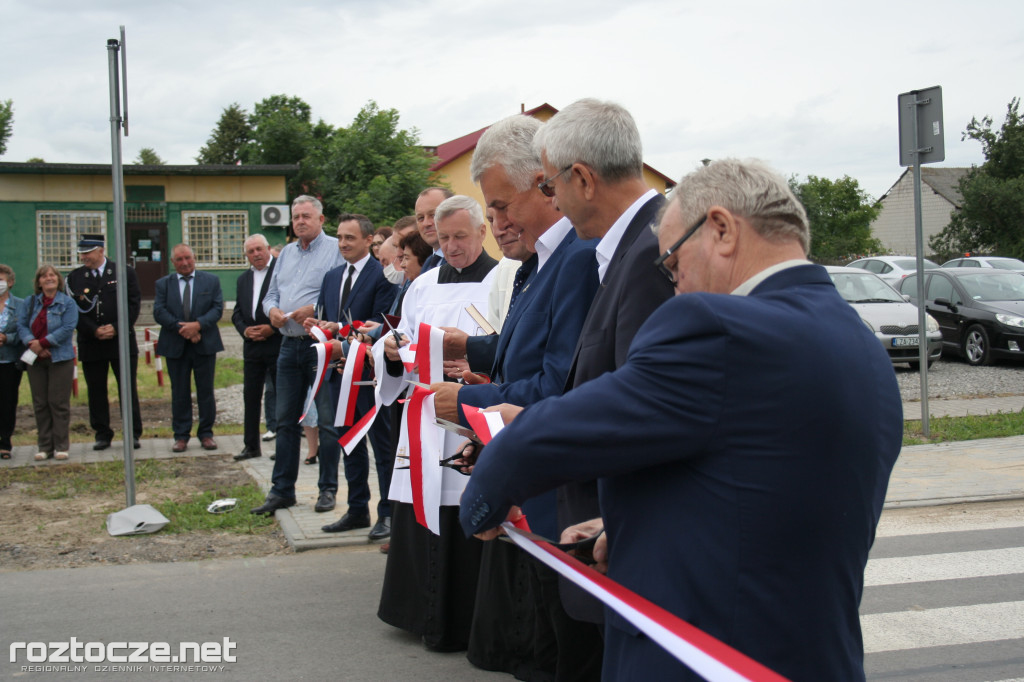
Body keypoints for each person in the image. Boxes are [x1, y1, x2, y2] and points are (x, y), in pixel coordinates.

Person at [460, 159, 904, 681]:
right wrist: (627, 527)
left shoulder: (716, 328)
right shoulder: (859, 343)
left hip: (698, 658)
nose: (675, 288)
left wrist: (482, 504)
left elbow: (541, 440)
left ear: (720, 229)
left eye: (672, 266)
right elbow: (766, 490)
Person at [432, 114, 603, 680]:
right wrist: (474, 357)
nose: (496, 221)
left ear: (545, 183)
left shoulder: (577, 258)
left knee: (558, 651)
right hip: (532, 484)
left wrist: (469, 404)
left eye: (503, 206)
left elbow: (558, 385)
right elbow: (519, 350)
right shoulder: (538, 261)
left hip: (557, 499)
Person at [533, 98, 675, 631]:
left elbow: (645, 411)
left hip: (621, 543)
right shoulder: (633, 244)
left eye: (549, 187)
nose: (553, 204)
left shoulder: (650, 253)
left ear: (583, 180)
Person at [377, 194, 498, 652]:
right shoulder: (422, 285)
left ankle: (466, 617)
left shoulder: (503, 280)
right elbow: (399, 341)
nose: (451, 246)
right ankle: (421, 611)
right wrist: (390, 353)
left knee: (466, 504)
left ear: (481, 232)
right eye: (444, 238)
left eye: (460, 237)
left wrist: (475, 369)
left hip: (474, 415)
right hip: (425, 416)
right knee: (425, 500)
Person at [251, 195, 343, 516]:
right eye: (296, 217)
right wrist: (272, 311)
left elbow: (342, 295)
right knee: (285, 420)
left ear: (321, 219)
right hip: (288, 345)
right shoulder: (287, 253)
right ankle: (282, 491)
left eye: (306, 215)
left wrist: (315, 309)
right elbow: (271, 294)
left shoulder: (335, 249)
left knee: (328, 422)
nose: (300, 221)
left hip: (321, 345)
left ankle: (327, 489)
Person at [304, 213, 396, 532]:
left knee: (381, 445)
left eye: (350, 238)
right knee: (348, 443)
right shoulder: (331, 277)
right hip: (339, 373)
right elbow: (329, 319)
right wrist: (320, 329)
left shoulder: (383, 275)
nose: (342, 243)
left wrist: (341, 330)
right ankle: (358, 508)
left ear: (369, 240)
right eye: (340, 237)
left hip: (370, 374)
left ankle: (387, 512)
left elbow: (382, 324)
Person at [65, 234, 143, 451]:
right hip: (92, 342)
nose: (84, 257)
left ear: (100, 250)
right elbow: (73, 311)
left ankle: (132, 433)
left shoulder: (123, 272)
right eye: (81, 253)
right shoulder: (75, 278)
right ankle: (102, 433)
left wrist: (117, 327)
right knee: (96, 390)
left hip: (120, 341)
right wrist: (93, 330)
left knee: (127, 389)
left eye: (87, 252)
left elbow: (134, 304)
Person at [153, 244, 224, 453]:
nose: (184, 263)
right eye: (180, 259)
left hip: (205, 344)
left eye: (188, 258)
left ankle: (206, 434)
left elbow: (217, 308)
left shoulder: (211, 281)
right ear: (173, 262)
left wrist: (198, 325)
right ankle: (181, 435)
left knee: (206, 391)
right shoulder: (163, 284)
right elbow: (159, 311)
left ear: (194, 258)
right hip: (176, 345)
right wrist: (183, 329)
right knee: (180, 392)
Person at [17, 265, 78, 461]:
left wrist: (43, 343)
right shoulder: (30, 302)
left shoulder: (67, 303)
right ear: (39, 282)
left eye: (52, 275)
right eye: (44, 276)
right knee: (40, 403)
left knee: (58, 403)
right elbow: (22, 325)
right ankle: (44, 446)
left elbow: (68, 327)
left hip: (60, 358)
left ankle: (61, 446)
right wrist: (32, 344)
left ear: (58, 280)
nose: (48, 278)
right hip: (35, 359)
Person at [231, 234, 281, 461]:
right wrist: (245, 330)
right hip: (252, 346)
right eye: (251, 252)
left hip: (276, 342)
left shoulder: (280, 273)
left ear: (268, 248)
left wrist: (272, 327)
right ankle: (250, 445)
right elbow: (237, 312)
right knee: (250, 397)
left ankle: (283, 447)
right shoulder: (243, 279)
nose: (256, 254)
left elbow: (288, 305)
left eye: (259, 249)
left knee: (282, 396)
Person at [0, 264, 24, 459]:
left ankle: (5, 442)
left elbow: (23, 331)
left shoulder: (21, 305)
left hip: (10, 361)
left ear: (10, 282)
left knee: (7, 402)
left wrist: (7, 339)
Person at [415, 188, 454, 272]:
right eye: (421, 218)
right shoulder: (428, 263)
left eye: (433, 215)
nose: (426, 223)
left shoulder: (463, 261)